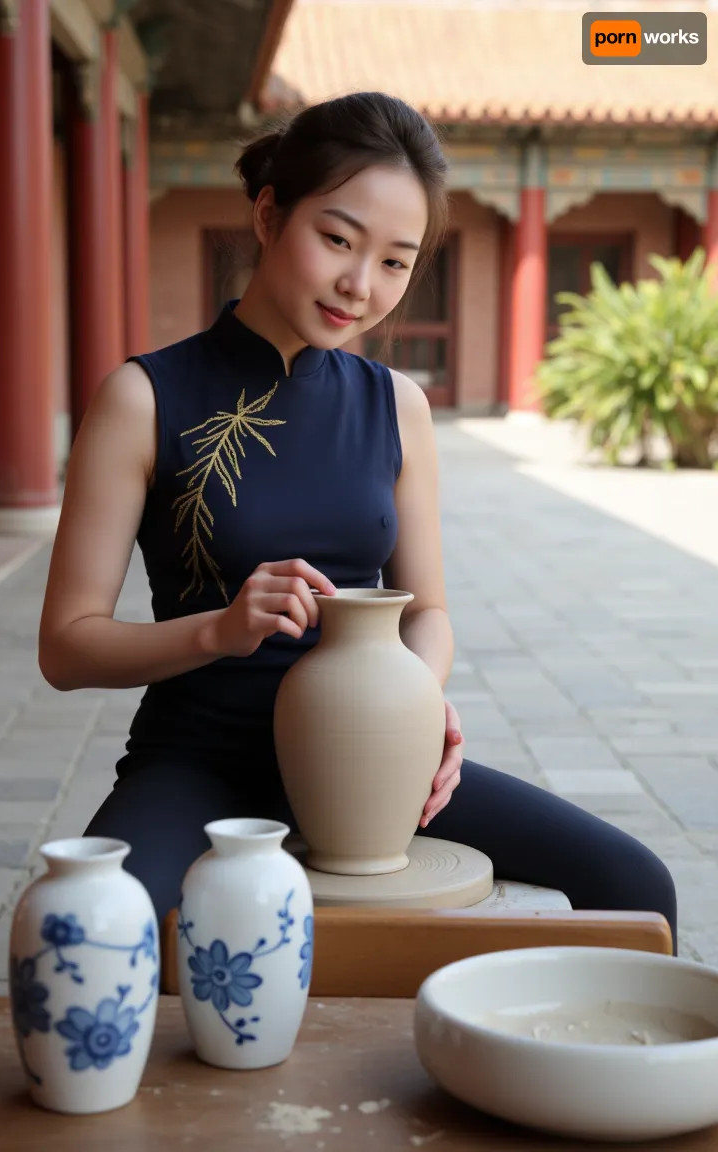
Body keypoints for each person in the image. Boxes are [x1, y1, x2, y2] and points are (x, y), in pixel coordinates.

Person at [38, 91, 677, 949]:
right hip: (200, 757)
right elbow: (66, 646)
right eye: (337, 239)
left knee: (635, 884)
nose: (359, 285)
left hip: (375, 760)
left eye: (394, 262)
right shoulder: (145, 398)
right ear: (269, 215)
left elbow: (430, 612)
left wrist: (420, 702)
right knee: (85, 935)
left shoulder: (397, 406)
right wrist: (218, 631)